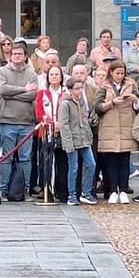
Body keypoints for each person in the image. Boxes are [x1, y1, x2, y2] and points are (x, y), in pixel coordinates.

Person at [0, 41, 38, 198]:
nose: (17, 56)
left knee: (26, 158)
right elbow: (2, 90)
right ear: (10, 56)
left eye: (20, 54)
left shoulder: (32, 74)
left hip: (27, 122)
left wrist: (13, 94)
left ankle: (24, 189)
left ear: (25, 56)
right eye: (14, 54)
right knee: (6, 157)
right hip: (7, 122)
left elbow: (33, 95)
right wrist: (24, 89)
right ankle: (4, 189)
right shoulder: (2, 71)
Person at [94, 60, 139, 204]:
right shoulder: (104, 86)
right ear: (111, 73)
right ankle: (113, 190)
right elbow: (97, 107)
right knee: (110, 161)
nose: (119, 76)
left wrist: (134, 100)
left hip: (126, 125)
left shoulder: (131, 84)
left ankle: (124, 190)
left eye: (122, 73)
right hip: (109, 126)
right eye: (117, 73)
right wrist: (112, 103)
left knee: (124, 160)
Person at [59, 74, 98, 206]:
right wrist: (68, 143)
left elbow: (84, 120)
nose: (79, 91)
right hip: (72, 140)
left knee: (91, 164)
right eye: (76, 88)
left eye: (80, 88)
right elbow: (64, 124)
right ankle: (72, 194)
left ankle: (86, 192)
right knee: (73, 167)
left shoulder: (81, 101)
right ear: (70, 90)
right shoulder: (65, 104)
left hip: (84, 139)